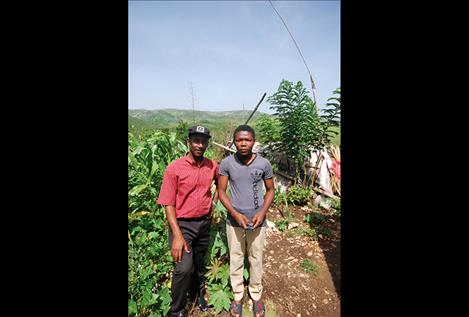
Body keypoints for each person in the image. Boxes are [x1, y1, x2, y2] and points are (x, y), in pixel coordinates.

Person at [157, 125, 218, 317]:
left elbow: (221, 185)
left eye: (203, 141)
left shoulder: (212, 165)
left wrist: (213, 205)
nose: (200, 145)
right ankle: (176, 310)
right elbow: (168, 203)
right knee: (183, 268)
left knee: (199, 263)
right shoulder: (174, 168)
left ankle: (198, 293)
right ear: (188, 142)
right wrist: (176, 235)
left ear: (207, 144)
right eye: (196, 141)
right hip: (183, 226)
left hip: (204, 224)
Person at [218, 125, 275, 317]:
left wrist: (262, 212)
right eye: (239, 140)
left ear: (254, 141)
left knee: (256, 258)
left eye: (247, 140)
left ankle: (256, 295)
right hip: (234, 220)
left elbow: (270, 190)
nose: (243, 143)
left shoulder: (264, 164)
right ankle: (237, 295)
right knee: (235, 257)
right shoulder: (227, 163)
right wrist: (235, 214)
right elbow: (221, 191)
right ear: (234, 141)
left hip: (257, 220)